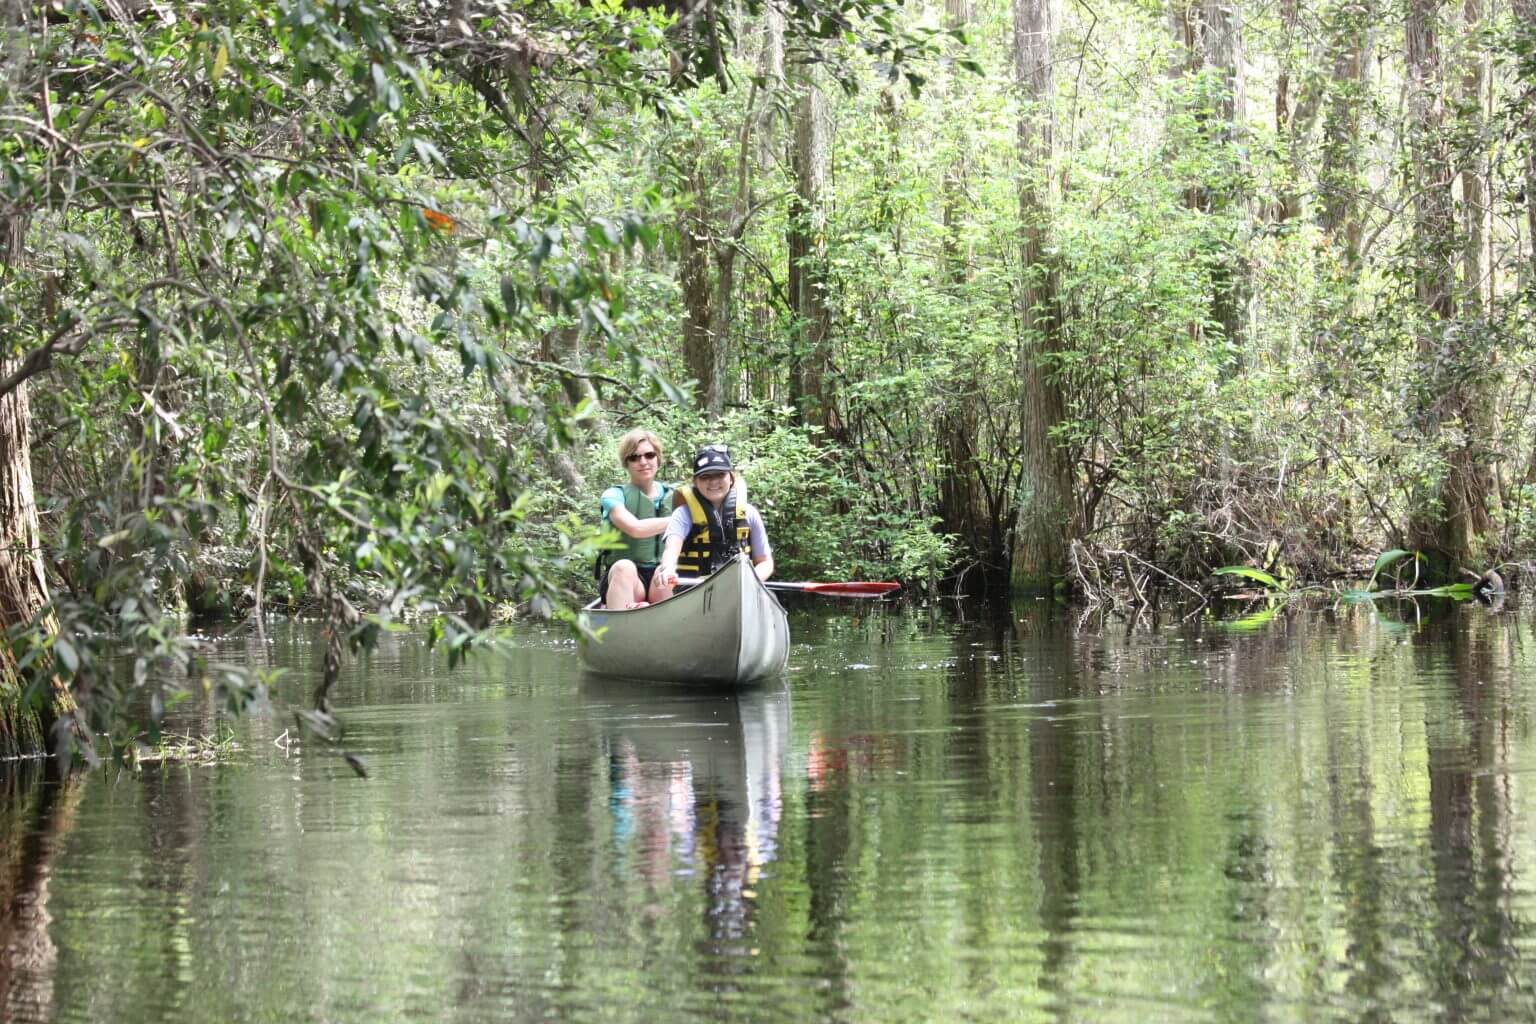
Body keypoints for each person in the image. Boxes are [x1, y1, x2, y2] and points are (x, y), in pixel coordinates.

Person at [653, 444, 773, 601]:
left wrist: (752, 579)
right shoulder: (682, 515)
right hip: (693, 592)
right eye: (705, 477)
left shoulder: (749, 513)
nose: (713, 482)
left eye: (720, 475)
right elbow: (671, 550)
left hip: (740, 592)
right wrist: (668, 568)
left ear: (731, 478)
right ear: (695, 481)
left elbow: (765, 562)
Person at [597, 429, 674, 609]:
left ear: (658, 458)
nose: (643, 462)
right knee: (624, 567)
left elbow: (728, 481)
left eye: (649, 455)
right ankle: (623, 624)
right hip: (626, 579)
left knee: (663, 572)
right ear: (627, 463)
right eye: (634, 457)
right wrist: (679, 520)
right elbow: (635, 529)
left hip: (658, 579)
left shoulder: (675, 495)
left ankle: (664, 623)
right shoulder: (614, 495)